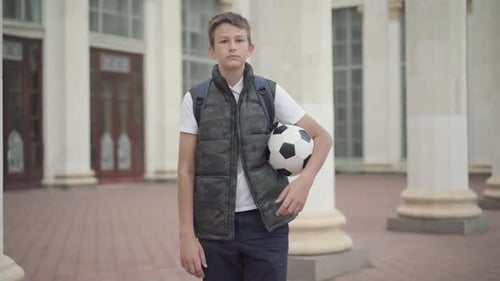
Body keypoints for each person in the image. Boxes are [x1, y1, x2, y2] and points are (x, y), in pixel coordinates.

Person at [177, 12, 332, 281]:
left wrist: (304, 181)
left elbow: (322, 138)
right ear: (212, 50)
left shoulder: (268, 93)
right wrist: (186, 237)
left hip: (265, 226)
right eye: (224, 41)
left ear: (251, 48)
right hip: (214, 230)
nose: (232, 46)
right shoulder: (196, 99)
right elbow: (185, 171)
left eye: (239, 40)